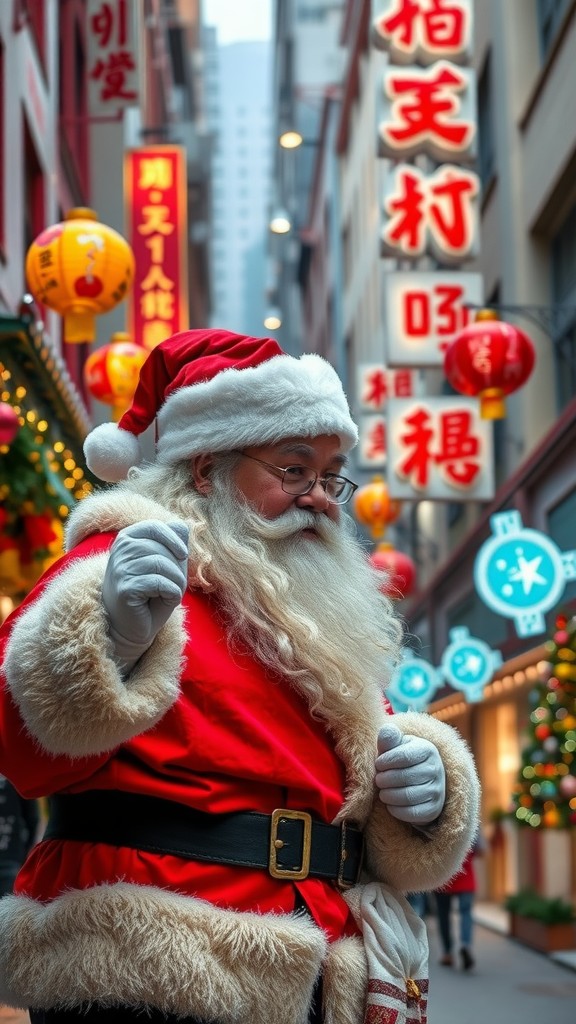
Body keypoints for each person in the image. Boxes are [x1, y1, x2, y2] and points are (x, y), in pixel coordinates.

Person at [0, 330, 480, 1024]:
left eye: (330, 474)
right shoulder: (126, 564)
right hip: (152, 967)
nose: (320, 496)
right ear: (206, 469)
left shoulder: (318, 603)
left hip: (317, 960)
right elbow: (20, 748)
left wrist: (425, 796)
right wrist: (105, 637)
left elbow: (353, 782)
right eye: (293, 469)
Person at [434, 834, 484, 971]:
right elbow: (481, 849)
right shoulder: (473, 818)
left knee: (444, 915)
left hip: (444, 875)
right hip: (466, 874)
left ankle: (448, 952)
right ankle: (465, 944)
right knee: (466, 912)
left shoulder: (439, 817)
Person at [0, 775, 40, 898]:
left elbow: (33, 820)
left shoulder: (16, 779)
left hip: (11, 861)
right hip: (13, 860)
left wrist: (25, 854)